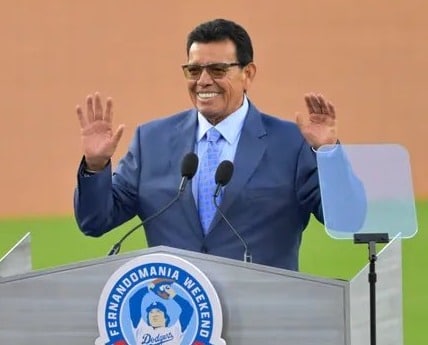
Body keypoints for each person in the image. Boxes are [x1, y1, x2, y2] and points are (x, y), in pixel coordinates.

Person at [74, 18, 365, 271]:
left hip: (261, 319)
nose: (203, 81)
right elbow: (95, 221)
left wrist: (328, 155)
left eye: (217, 70)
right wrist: (96, 166)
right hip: (178, 319)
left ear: (247, 74)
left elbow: (348, 219)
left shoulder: (291, 144)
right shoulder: (152, 141)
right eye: (193, 70)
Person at [128, 283, 193, 344]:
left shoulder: (175, 330)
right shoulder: (141, 329)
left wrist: (173, 295)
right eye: (151, 312)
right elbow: (134, 301)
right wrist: (149, 286)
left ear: (166, 318)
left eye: (158, 311)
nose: (154, 314)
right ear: (148, 319)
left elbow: (188, 309)